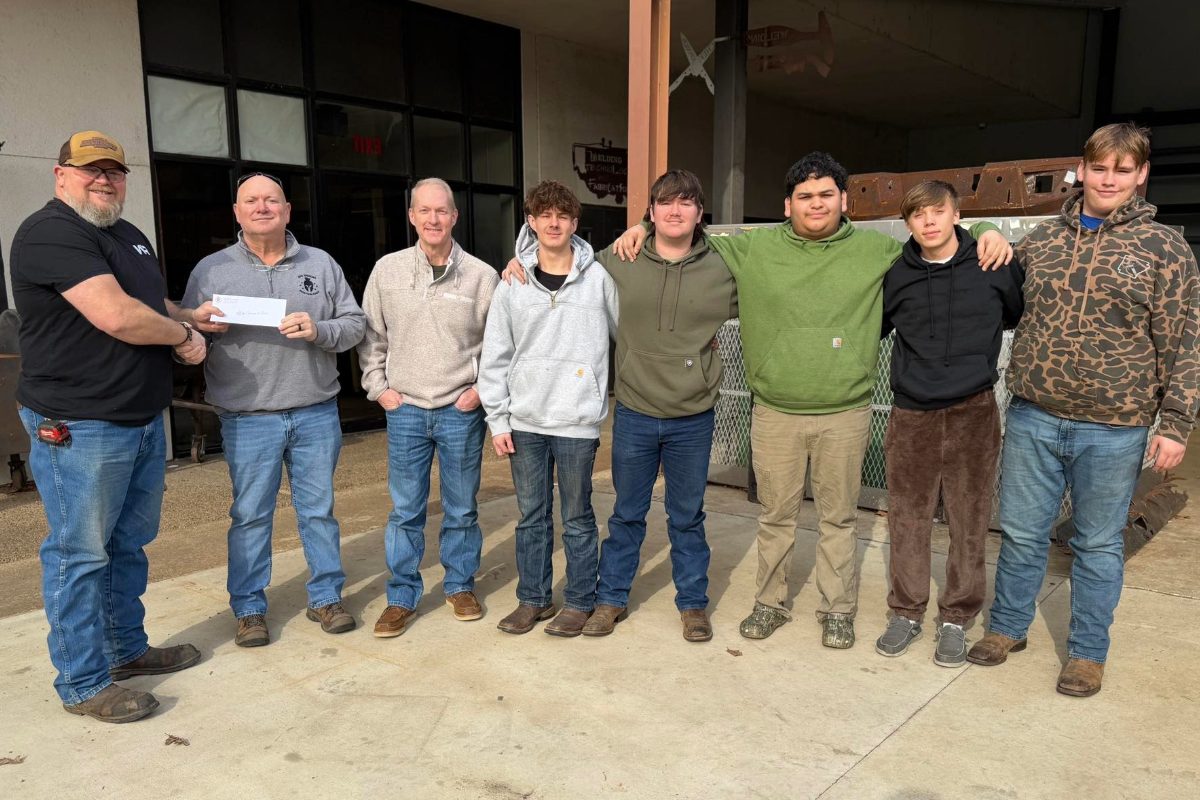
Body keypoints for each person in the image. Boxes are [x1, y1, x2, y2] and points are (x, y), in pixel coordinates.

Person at [617, 152, 1012, 648]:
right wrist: (638, 226)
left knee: (839, 519)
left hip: (844, 410)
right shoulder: (753, 248)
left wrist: (990, 229)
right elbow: (679, 228)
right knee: (775, 517)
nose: (816, 204)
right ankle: (769, 603)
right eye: (805, 196)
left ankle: (837, 609)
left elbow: (938, 240)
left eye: (826, 194)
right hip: (775, 410)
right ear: (788, 205)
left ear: (844, 201)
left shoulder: (876, 251)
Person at [968, 123, 1199, 697]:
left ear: (1141, 175)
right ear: (1083, 169)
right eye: (1101, 168)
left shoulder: (1164, 249)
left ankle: (1087, 653)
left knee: (1097, 542)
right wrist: (988, 228)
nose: (1110, 179)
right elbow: (987, 271)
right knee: (1022, 532)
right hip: (1034, 414)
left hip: (1114, 427)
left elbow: (1184, 343)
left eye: (1124, 170)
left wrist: (1175, 424)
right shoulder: (1044, 241)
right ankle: (1007, 628)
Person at [10, 130, 206, 723]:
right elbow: (116, 314)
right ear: (60, 173)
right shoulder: (50, 232)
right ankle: (83, 682)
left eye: (115, 172)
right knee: (80, 553)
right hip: (79, 425)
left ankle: (126, 651)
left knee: (127, 545)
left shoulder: (126, 234)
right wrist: (186, 339)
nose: (105, 180)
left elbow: (146, 299)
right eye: (91, 170)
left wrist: (188, 314)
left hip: (138, 420)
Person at [505, 169, 739, 642]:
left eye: (686, 203)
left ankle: (692, 603)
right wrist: (519, 261)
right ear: (650, 213)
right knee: (627, 513)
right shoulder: (619, 259)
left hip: (692, 415)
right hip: (634, 411)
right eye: (665, 204)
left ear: (699, 213)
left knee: (687, 516)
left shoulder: (724, 265)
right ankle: (610, 599)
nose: (676, 211)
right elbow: (564, 255)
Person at [184, 173, 366, 647]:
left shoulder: (320, 264)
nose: (262, 207)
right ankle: (248, 609)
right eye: (251, 200)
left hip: (314, 411)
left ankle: (326, 598)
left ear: (287, 210)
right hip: (247, 417)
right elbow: (184, 337)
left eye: (271, 200)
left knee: (318, 511)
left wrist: (319, 329)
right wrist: (202, 331)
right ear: (237, 212)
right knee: (249, 515)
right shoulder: (210, 270)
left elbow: (354, 325)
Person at [874, 180, 1024, 667]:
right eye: (918, 214)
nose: (930, 221)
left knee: (969, 519)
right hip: (912, 412)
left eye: (938, 211)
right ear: (908, 223)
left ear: (956, 213)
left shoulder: (992, 265)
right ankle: (906, 612)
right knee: (908, 518)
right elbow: (876, 328)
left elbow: (1017, 314)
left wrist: (991, 232)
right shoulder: (896, 275)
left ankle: (957, 617)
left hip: (972, 411)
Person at [358, 178, 499, 637]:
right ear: (412, 217)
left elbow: (499, 345)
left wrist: (479, 390)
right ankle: (401, 597)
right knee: (405, 510)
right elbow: (371, 336)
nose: (433, 219)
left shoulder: (481, 276)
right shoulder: (387, 271)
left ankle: (460, 585)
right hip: (406, 409)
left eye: (442, 211)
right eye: (425, 211)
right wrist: (379, 388)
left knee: (461, 508)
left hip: (460, 409)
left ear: (455, 217)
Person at [479, 181, 618, 637]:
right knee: (531, 517)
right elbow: (496, 354)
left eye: (563, 215)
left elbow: (629, 334)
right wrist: (497, 418)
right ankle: (533, 600)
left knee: (577, 518)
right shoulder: (513, 283)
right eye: (545, 215)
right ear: (532, 223)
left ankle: (578, 602)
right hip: (525, 422)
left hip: (576, 422)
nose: (554, 222)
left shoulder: (599, 279)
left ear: (575, 224)